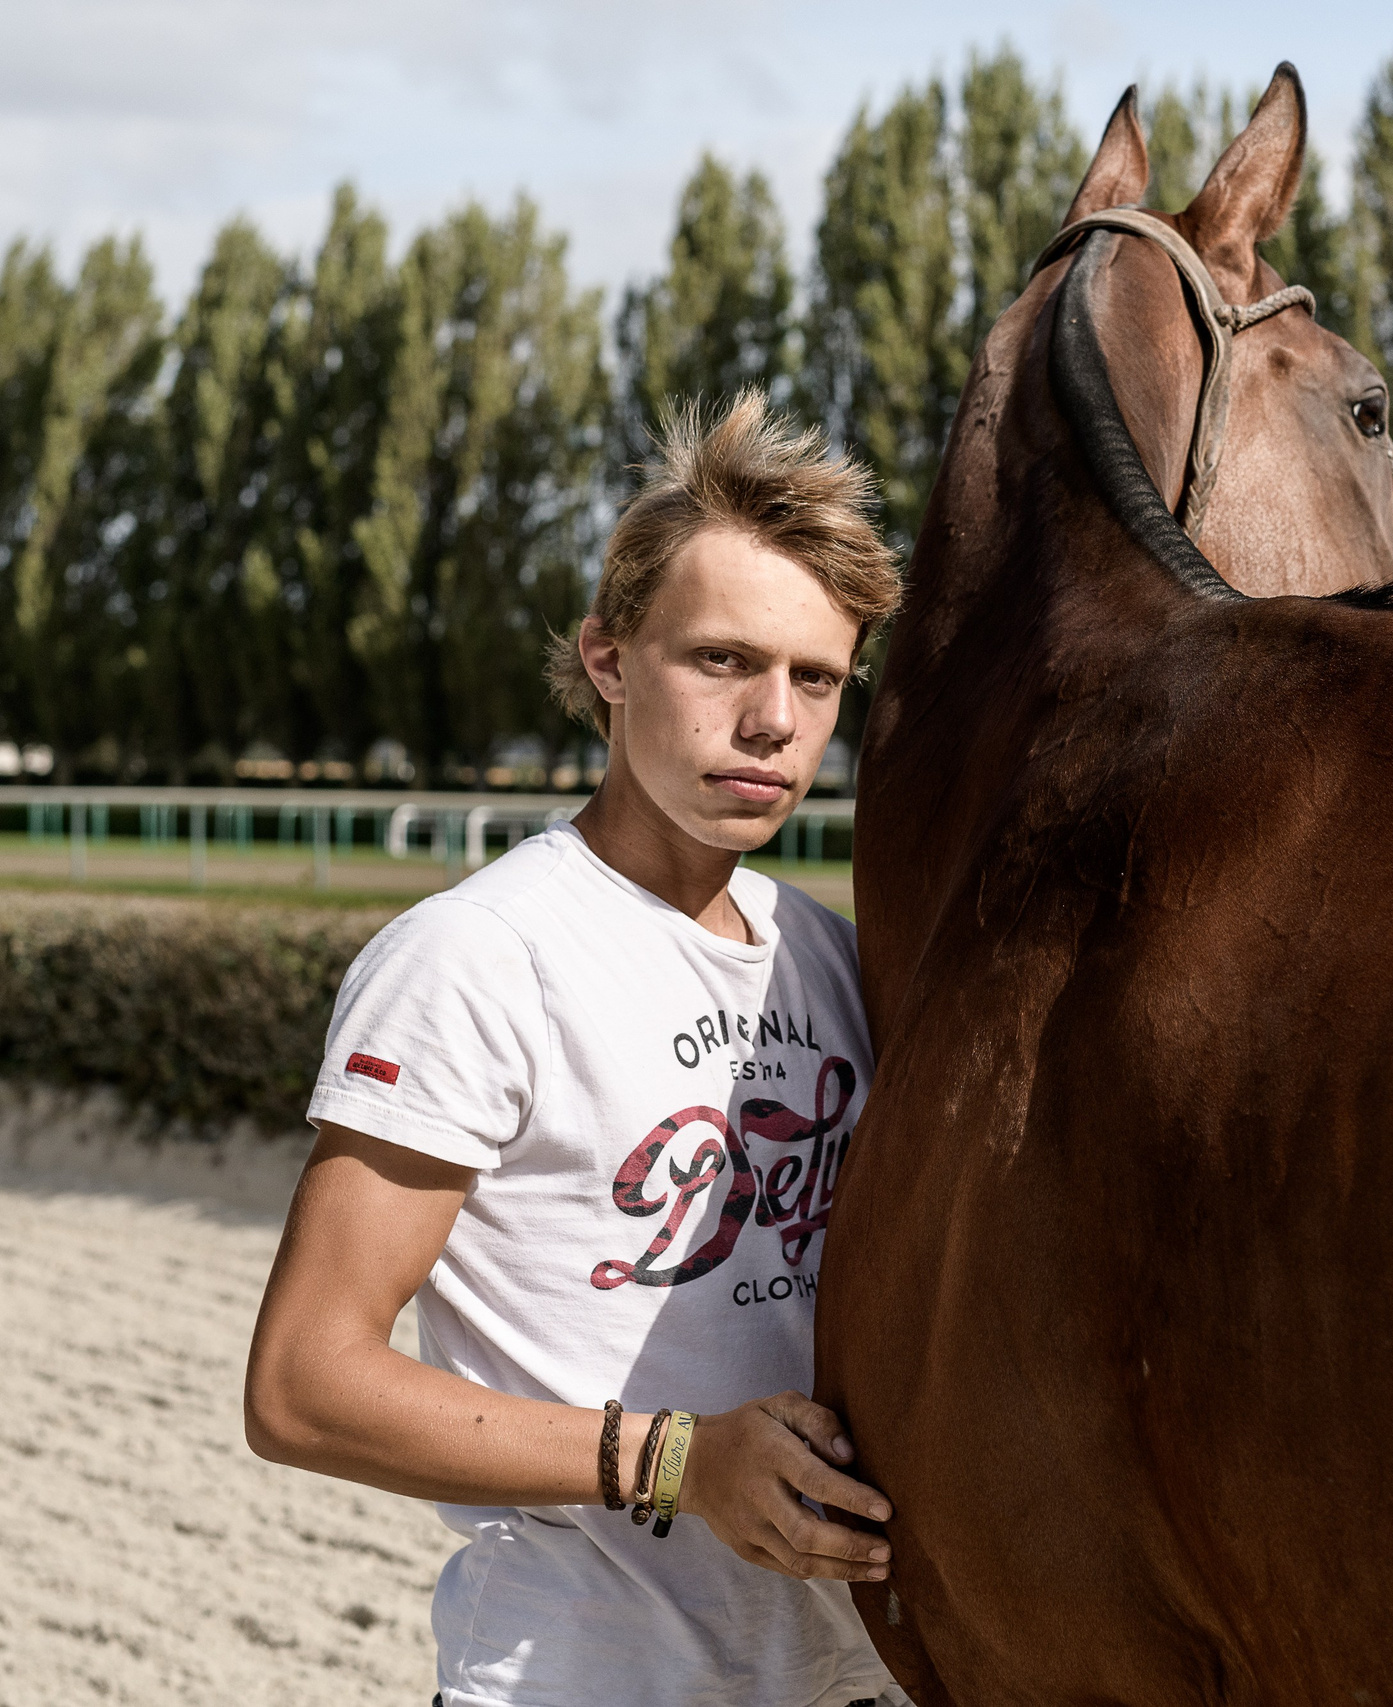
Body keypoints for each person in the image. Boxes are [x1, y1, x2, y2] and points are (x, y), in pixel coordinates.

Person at [245, 390, 906, 1707]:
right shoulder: (478, 959)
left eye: (815, 677)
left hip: (855, 1682)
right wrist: (682, 1462)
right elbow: (304, 1385)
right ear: (608, 661)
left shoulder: (830, 957)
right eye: (721, 659)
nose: (775, 721)